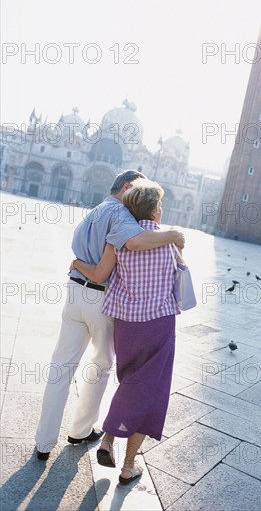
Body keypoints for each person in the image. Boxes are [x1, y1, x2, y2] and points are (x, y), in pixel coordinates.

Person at [35, 170, 184, 460]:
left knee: (61, 366)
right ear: (127, 187)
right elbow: (136, 243)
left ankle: (43, 441)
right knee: (101, 366)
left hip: (75, 291)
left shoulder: (93, 212)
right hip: (99, 297)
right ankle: (80, 431)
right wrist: (174, 235)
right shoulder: (121, 215)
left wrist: (77, 262)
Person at [73, 179, 181, 484]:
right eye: (160, 204)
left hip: (126, 326)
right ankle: (127, 462)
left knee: (132, 382)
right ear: (155, 208)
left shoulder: (120, 239)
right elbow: (181, 278)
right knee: (152, 390)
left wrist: (76, 263)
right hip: (159, 325)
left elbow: (99, 274)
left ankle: (110, 441)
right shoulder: (169, 240)